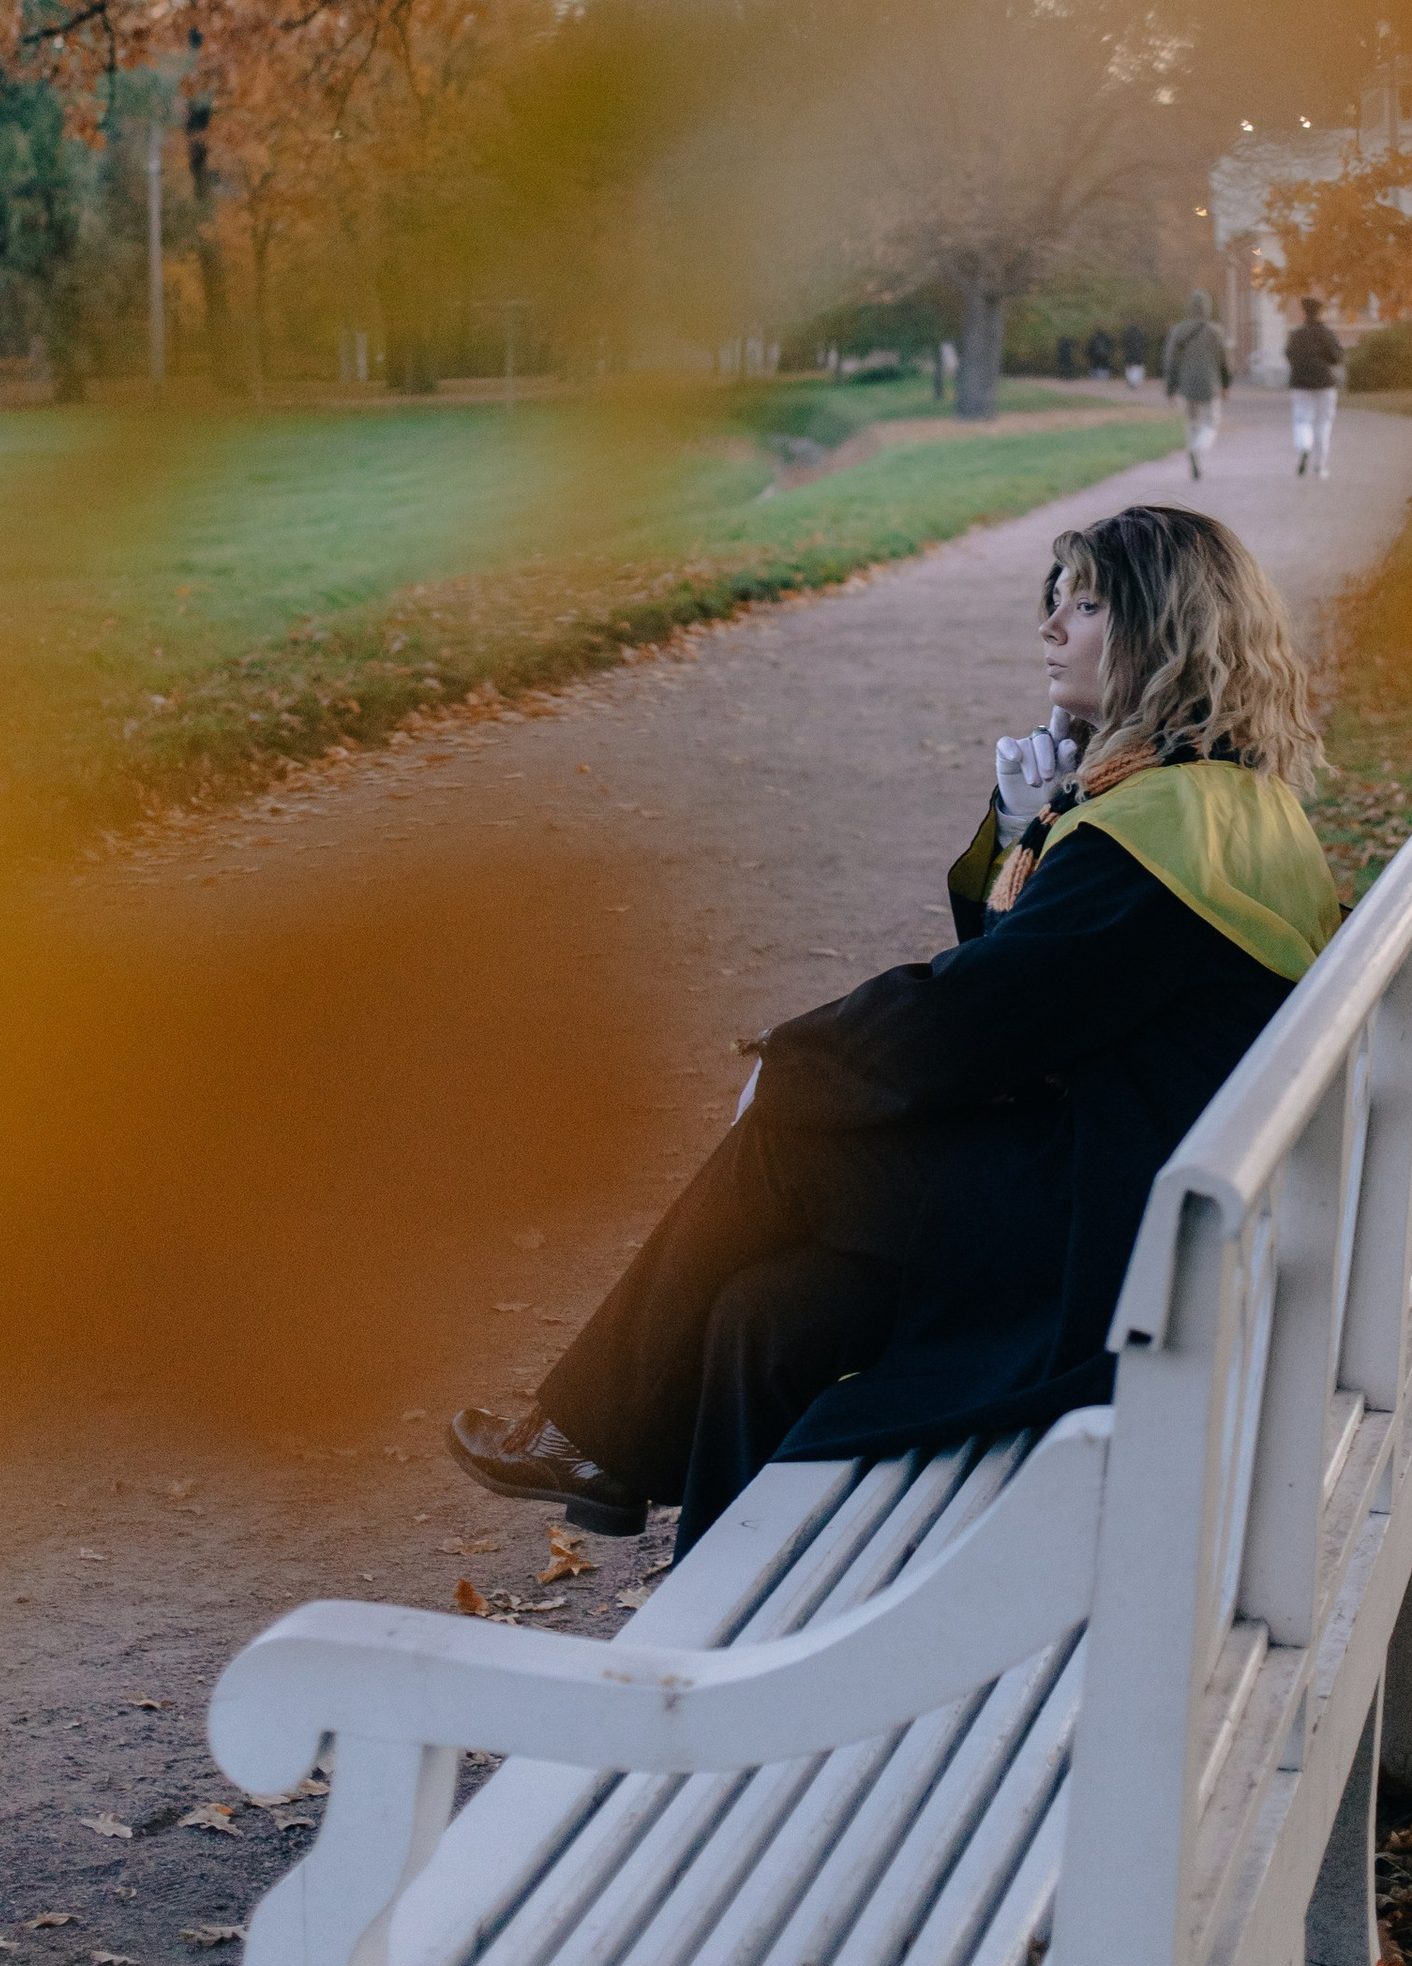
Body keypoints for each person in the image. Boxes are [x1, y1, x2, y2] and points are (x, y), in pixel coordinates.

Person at [446, 506, 1341, 1553]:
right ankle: (704, 1614)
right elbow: (1038, 996)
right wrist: (1025, 830)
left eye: (1088, 604)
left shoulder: (1150, 836)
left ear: (1172, 631)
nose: (1052, 627)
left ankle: (591, 1436)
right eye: (1053, 602)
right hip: (1152, 1191)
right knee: (767, 1312)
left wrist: (793, 1057)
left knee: (790, 1137)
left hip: (1109, 1227)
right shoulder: (1216, 802)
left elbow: (976, 1020)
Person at [1162, 285, 1230, 479]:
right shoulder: (1215, 331)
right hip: (1210, 384)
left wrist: (1170, 388)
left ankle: (1193, 453)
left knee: (1191, 423)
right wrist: (1226, 384)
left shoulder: (1178, 331)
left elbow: (1171, 361)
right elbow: (1224, 361)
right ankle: (1198, 449)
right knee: (1211, 422)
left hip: (1187, 385)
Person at [1285, 293, 1343, 479]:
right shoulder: (1326, 333)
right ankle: (1320, 466)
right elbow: (1337, 357)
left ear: (1304, 313)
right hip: (1324, 383)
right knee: (1323, 423)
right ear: (1319, 313)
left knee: (1302, 420)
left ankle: (1304, 447)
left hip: (1300, 383)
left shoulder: (1296, 335)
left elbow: (1288, 355)